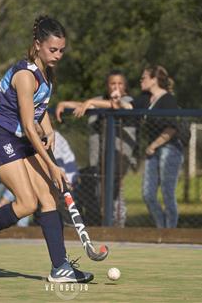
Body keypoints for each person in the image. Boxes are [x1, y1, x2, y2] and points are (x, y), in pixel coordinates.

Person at [0, 16, 93, 283]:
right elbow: (29, 127)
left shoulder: (47, 73)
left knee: (48, 198)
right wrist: (53, 165)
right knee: (27, 202)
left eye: (62, 50)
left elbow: (40, 111)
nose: (58, 55)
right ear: (38, 45)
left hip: (20, 138)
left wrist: (50, 130)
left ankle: (60, 267)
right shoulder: (25, 76)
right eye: (53, 49)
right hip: (0, 136)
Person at [55, 70, 136, 227]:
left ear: (125, 86)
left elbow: (116, 105)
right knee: (100, 191)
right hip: (100, 156)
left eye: (120, 84)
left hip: (120, 156)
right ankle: (104, 222)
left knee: (115, 189)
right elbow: (84, 105)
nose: (116, 87)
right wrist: (64, 104)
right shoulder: (98, 100)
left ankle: (119, 224)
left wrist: (90, 103)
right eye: (113, 83)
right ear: (107, 85)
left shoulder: (128, 100)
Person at [131, 65, 184, 228]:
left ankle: (171, 231)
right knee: (148, 194)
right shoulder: (146, 99)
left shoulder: (168, 100)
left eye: (144, 78)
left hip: (170, 148)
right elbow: (128, 106)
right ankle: (162, 228)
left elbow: (172, 128)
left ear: (154, 80)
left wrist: (153, 145)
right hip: (153, 150)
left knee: (168, 193)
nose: (141, 81)